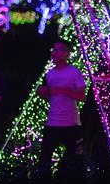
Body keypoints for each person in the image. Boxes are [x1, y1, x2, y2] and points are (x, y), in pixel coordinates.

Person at [36, 40, 86, 176]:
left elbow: (82, 96)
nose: (55, 52)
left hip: (71, 124)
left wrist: (64, 91)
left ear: (67, 54)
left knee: (74, 161)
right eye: (54, 49)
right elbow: (52, 97)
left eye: (60, 49)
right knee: (45, 160)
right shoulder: (50, 73)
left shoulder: (74, 72)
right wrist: (43, 93)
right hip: (52, 123)